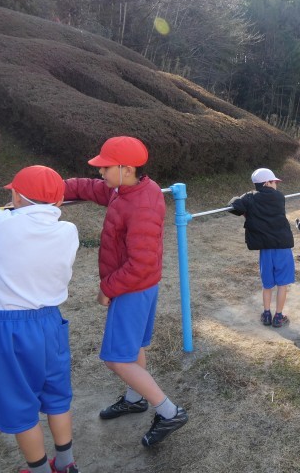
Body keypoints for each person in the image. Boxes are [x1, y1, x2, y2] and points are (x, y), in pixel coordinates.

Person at [63, 136, 188, 447]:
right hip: (140, 287)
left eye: (105, 167)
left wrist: (107, 288)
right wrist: (51, 188)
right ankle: (135, 398)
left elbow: (141, 264)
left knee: (116, 359)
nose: (100, 173)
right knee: (132, 350)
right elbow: (90, 188)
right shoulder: (128, 189)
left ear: (127, 168)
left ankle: (169, 412)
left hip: (133, 288)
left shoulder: (141, 204)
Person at [0, 166, 81, 473]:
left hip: (8, 328)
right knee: (56, 395)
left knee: (18, 403)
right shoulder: (68, 231)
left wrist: (4, 209)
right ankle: (66, 463)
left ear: (16, 197)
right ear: (59, 202)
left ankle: (38, 470)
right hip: (51, 323)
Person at [228, 168, 295, 327]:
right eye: (274, 182)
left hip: (266, 249)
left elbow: (233, 205)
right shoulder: (279, 197)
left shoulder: (250, 198)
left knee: (267, 284)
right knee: (282, 284)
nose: (276, 185)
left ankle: (266, 314)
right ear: (266, 183)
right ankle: (278, 316)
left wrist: (246, 211)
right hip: (282, 247)